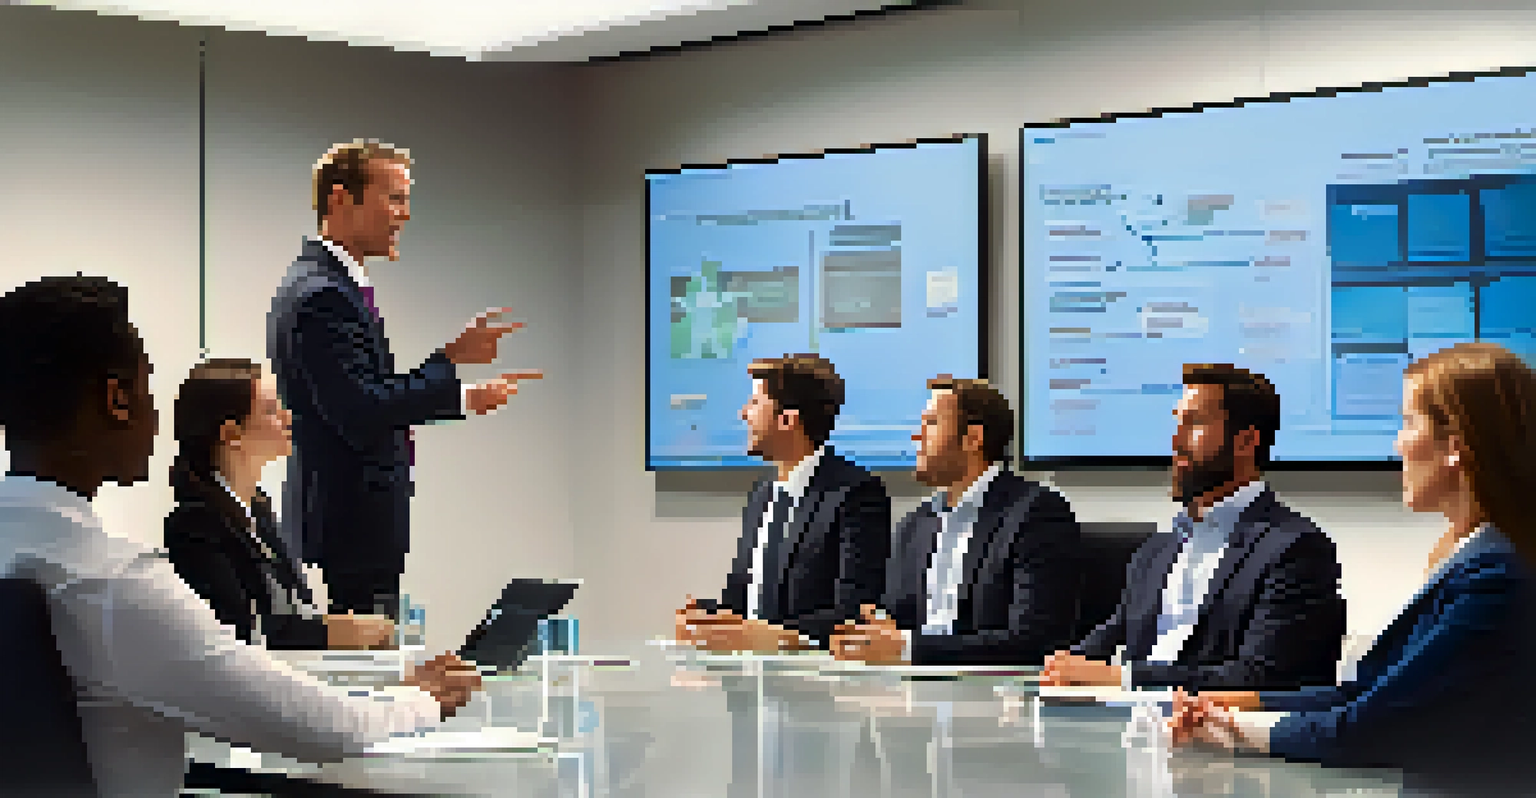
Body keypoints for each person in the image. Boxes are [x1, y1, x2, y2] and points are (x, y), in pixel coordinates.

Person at [0, 275, 481, 796]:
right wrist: (423, 698)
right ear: (118, 399)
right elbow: (321, 729)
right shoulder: (114, 585)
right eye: (147, 387)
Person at [1169, 343, 1536, 791]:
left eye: (1408, 423)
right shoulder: (1481, 556)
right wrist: (1234, 706)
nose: (1397, 443)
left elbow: (1372, 726)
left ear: (1455, 447)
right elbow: (1364, 693)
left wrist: (1229, 731)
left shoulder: (1495, 575)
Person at [268, 138, 541, 619]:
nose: (405, 215)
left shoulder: (329, 285)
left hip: (352, 530)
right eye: (393, 198)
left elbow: (365, 398)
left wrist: (464, 395)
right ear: (339, 199)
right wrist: (450, 363)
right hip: (349, 531)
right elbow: (361, 410)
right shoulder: (321, 294)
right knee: (362, 674)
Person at [1043, 363, 1345, 690]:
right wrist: (1058, 671)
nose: (1175, 440)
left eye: (1194, 423)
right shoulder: (1156, 549)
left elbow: (1266, 677)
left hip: (1216, 734)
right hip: (1133, 727)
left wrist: (1124, 678)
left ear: (1245, 442)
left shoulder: (1295, 548)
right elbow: (1111, 636)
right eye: (1177, 422)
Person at [829, 376, 1083, 665]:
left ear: (974, 438)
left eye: (932, 424)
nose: (917, 436)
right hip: (910, 689)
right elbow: (895, 620)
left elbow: (1035, 639)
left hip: (994, 696)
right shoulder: (915, 524)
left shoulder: (1035, 513)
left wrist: (909, 649)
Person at [164, 358, 395, 650]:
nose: (287, 417)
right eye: (271, 410)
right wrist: (334, 632)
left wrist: (344, 629)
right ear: (231, 435)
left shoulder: (257, 510)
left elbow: (296, 611)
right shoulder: (194, 526)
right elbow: (240, 632)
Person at [675, 354, 891, 652]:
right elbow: (746, 603)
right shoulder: (763, 494)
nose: (743, 414)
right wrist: (708, 618)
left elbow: (854, 612)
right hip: (750, 679)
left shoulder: (855, 493)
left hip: (816, 683)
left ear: (787, 419)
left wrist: (772, 636)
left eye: (754, 404)